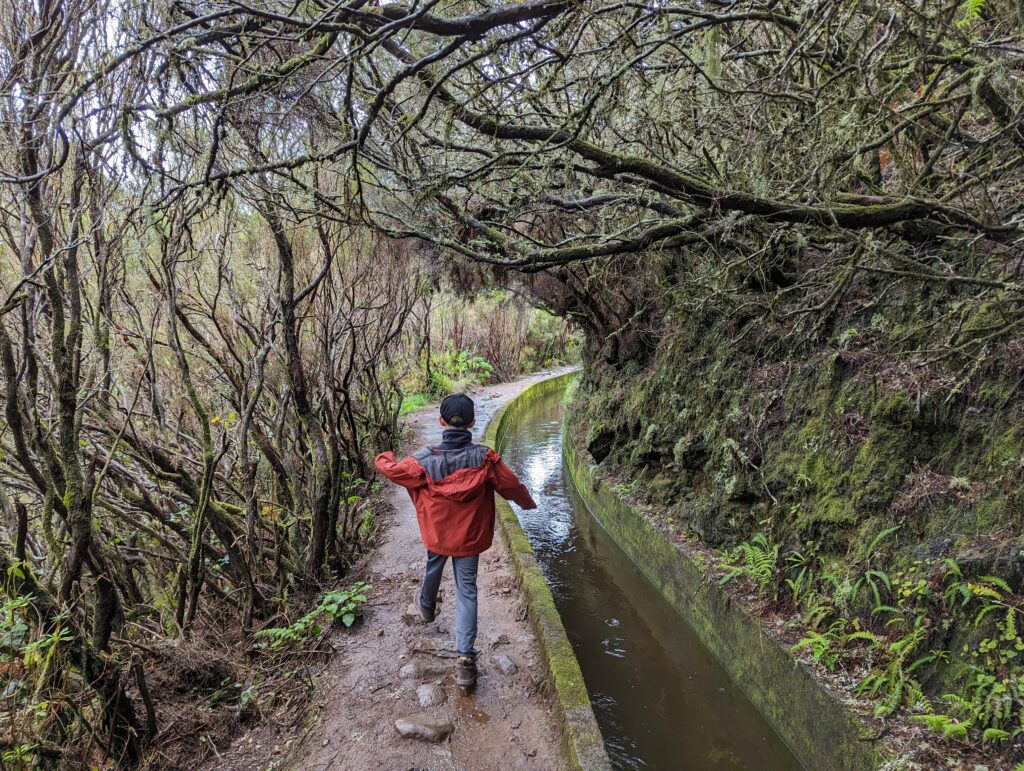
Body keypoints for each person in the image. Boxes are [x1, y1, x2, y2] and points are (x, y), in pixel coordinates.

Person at [374, 392, 537, 688]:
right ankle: (465, 659)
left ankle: (426, 604)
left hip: (438, 533)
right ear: (473, 422)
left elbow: (393, 470)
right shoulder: (485, 458)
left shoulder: (423, 459)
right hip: (470, 536)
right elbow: (510, 484)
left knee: (434, 562)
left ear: (441, 421)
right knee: (467, 590)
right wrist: (527, 503)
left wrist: (384, 455)